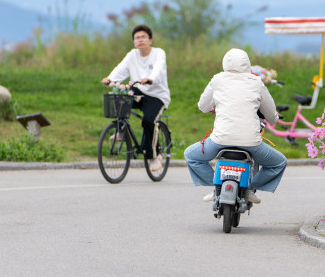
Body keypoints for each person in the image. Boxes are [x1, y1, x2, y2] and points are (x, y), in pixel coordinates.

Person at [184, 48, 287, 204]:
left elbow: (203, 106)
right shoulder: (256, 81)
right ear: (248, 64)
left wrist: (214, 107)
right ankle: (250, 188)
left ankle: (217, 185)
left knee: (191, 155)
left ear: (225, 62)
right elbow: (271, 115)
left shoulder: (217, 79)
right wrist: (274, 119)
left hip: (219, 141)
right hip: (251, 142)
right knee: (279, 162)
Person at [101, 25, 170, 172]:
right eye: (137, 38)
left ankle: (154, 156)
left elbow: (158, 69)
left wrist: (150, 78)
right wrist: (110, 78)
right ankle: (120, 131)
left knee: (148, 121)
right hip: (138, 90)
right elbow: (121, 68)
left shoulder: (159, 53)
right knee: (120, 98)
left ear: (150, 40)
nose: (140, 40)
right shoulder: (132, 55)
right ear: (134, 42)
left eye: (143, 37)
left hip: (157, 95)